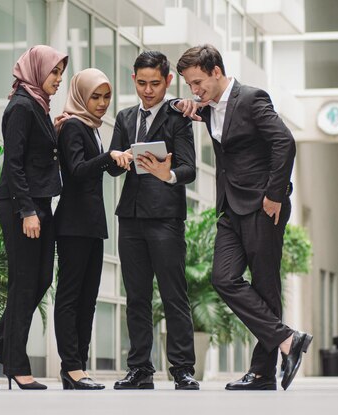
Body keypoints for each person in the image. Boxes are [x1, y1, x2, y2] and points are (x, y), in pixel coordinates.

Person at [173, 44, 312, 391]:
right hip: (230, 208)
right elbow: (179, 107)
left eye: (198, 82)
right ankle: (287, 340)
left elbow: (284, 141)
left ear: (216, 71)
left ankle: (263, 372)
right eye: (190, 84)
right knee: (223, 277)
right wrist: (183, 104)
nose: (194, 89)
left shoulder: (251, 98)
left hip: (263, 206)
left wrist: (274, 194)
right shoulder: (207, 107)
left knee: (265, 286)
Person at [0, 45, 68, 390]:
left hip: (38, 203)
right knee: (25, 282)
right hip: (20, 206)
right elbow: (13, 163)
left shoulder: (38, 106)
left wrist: (53, 130)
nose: (58, 79)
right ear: (37, 70)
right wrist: (26, 210)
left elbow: (34, 154)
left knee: (39, 280)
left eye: (60, 73)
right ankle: (16, 361)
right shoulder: (23, 106)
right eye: (54, 72)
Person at [109, 51, 199, 391]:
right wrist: (115, 159)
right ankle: (140, 369)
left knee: (174, 294)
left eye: (156, 84)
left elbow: (189, 168)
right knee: (136, 296)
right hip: (130, 217)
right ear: (133, 79)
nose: (149, 91)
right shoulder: (125, 116)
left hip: (165, 217)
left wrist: (168, 173)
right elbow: (113, 166)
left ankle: (182, 369)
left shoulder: (178, 118)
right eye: (142, 83)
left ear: (168, 81)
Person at [53, 68, 132, 390]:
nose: (101, 103)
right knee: (71, 297)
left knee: (87, 299)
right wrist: (106, 157)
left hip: (90, 224)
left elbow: (94, 167)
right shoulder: (72, 126)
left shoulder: (90, 127)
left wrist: (118, 160)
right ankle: (71, 367)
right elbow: (76, 170)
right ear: (81, 97)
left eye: (106, 97)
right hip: (73, 224)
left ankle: (79, 367)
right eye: (94, 97)